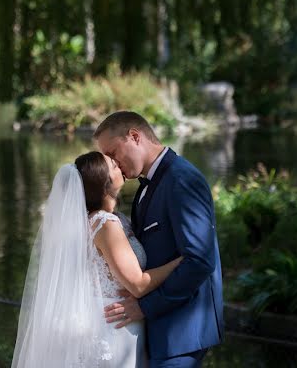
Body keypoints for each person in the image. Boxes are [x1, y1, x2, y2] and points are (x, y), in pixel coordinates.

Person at [12, 151, 182, 367]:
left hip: (113, 319)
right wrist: (180, 261)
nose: (119, 162)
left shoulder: (107, 220)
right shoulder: (105, 224)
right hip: (115, 326)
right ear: (104, 183)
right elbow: (138, 284)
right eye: (113, 164)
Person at [95, 111, 223, 368]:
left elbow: (199, 260)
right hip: (159, 332)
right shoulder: (147, 184)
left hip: (181, 331)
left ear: (134, 136)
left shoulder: (181, 179)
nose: (112, 163)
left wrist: (145, 307)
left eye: (112, 153)